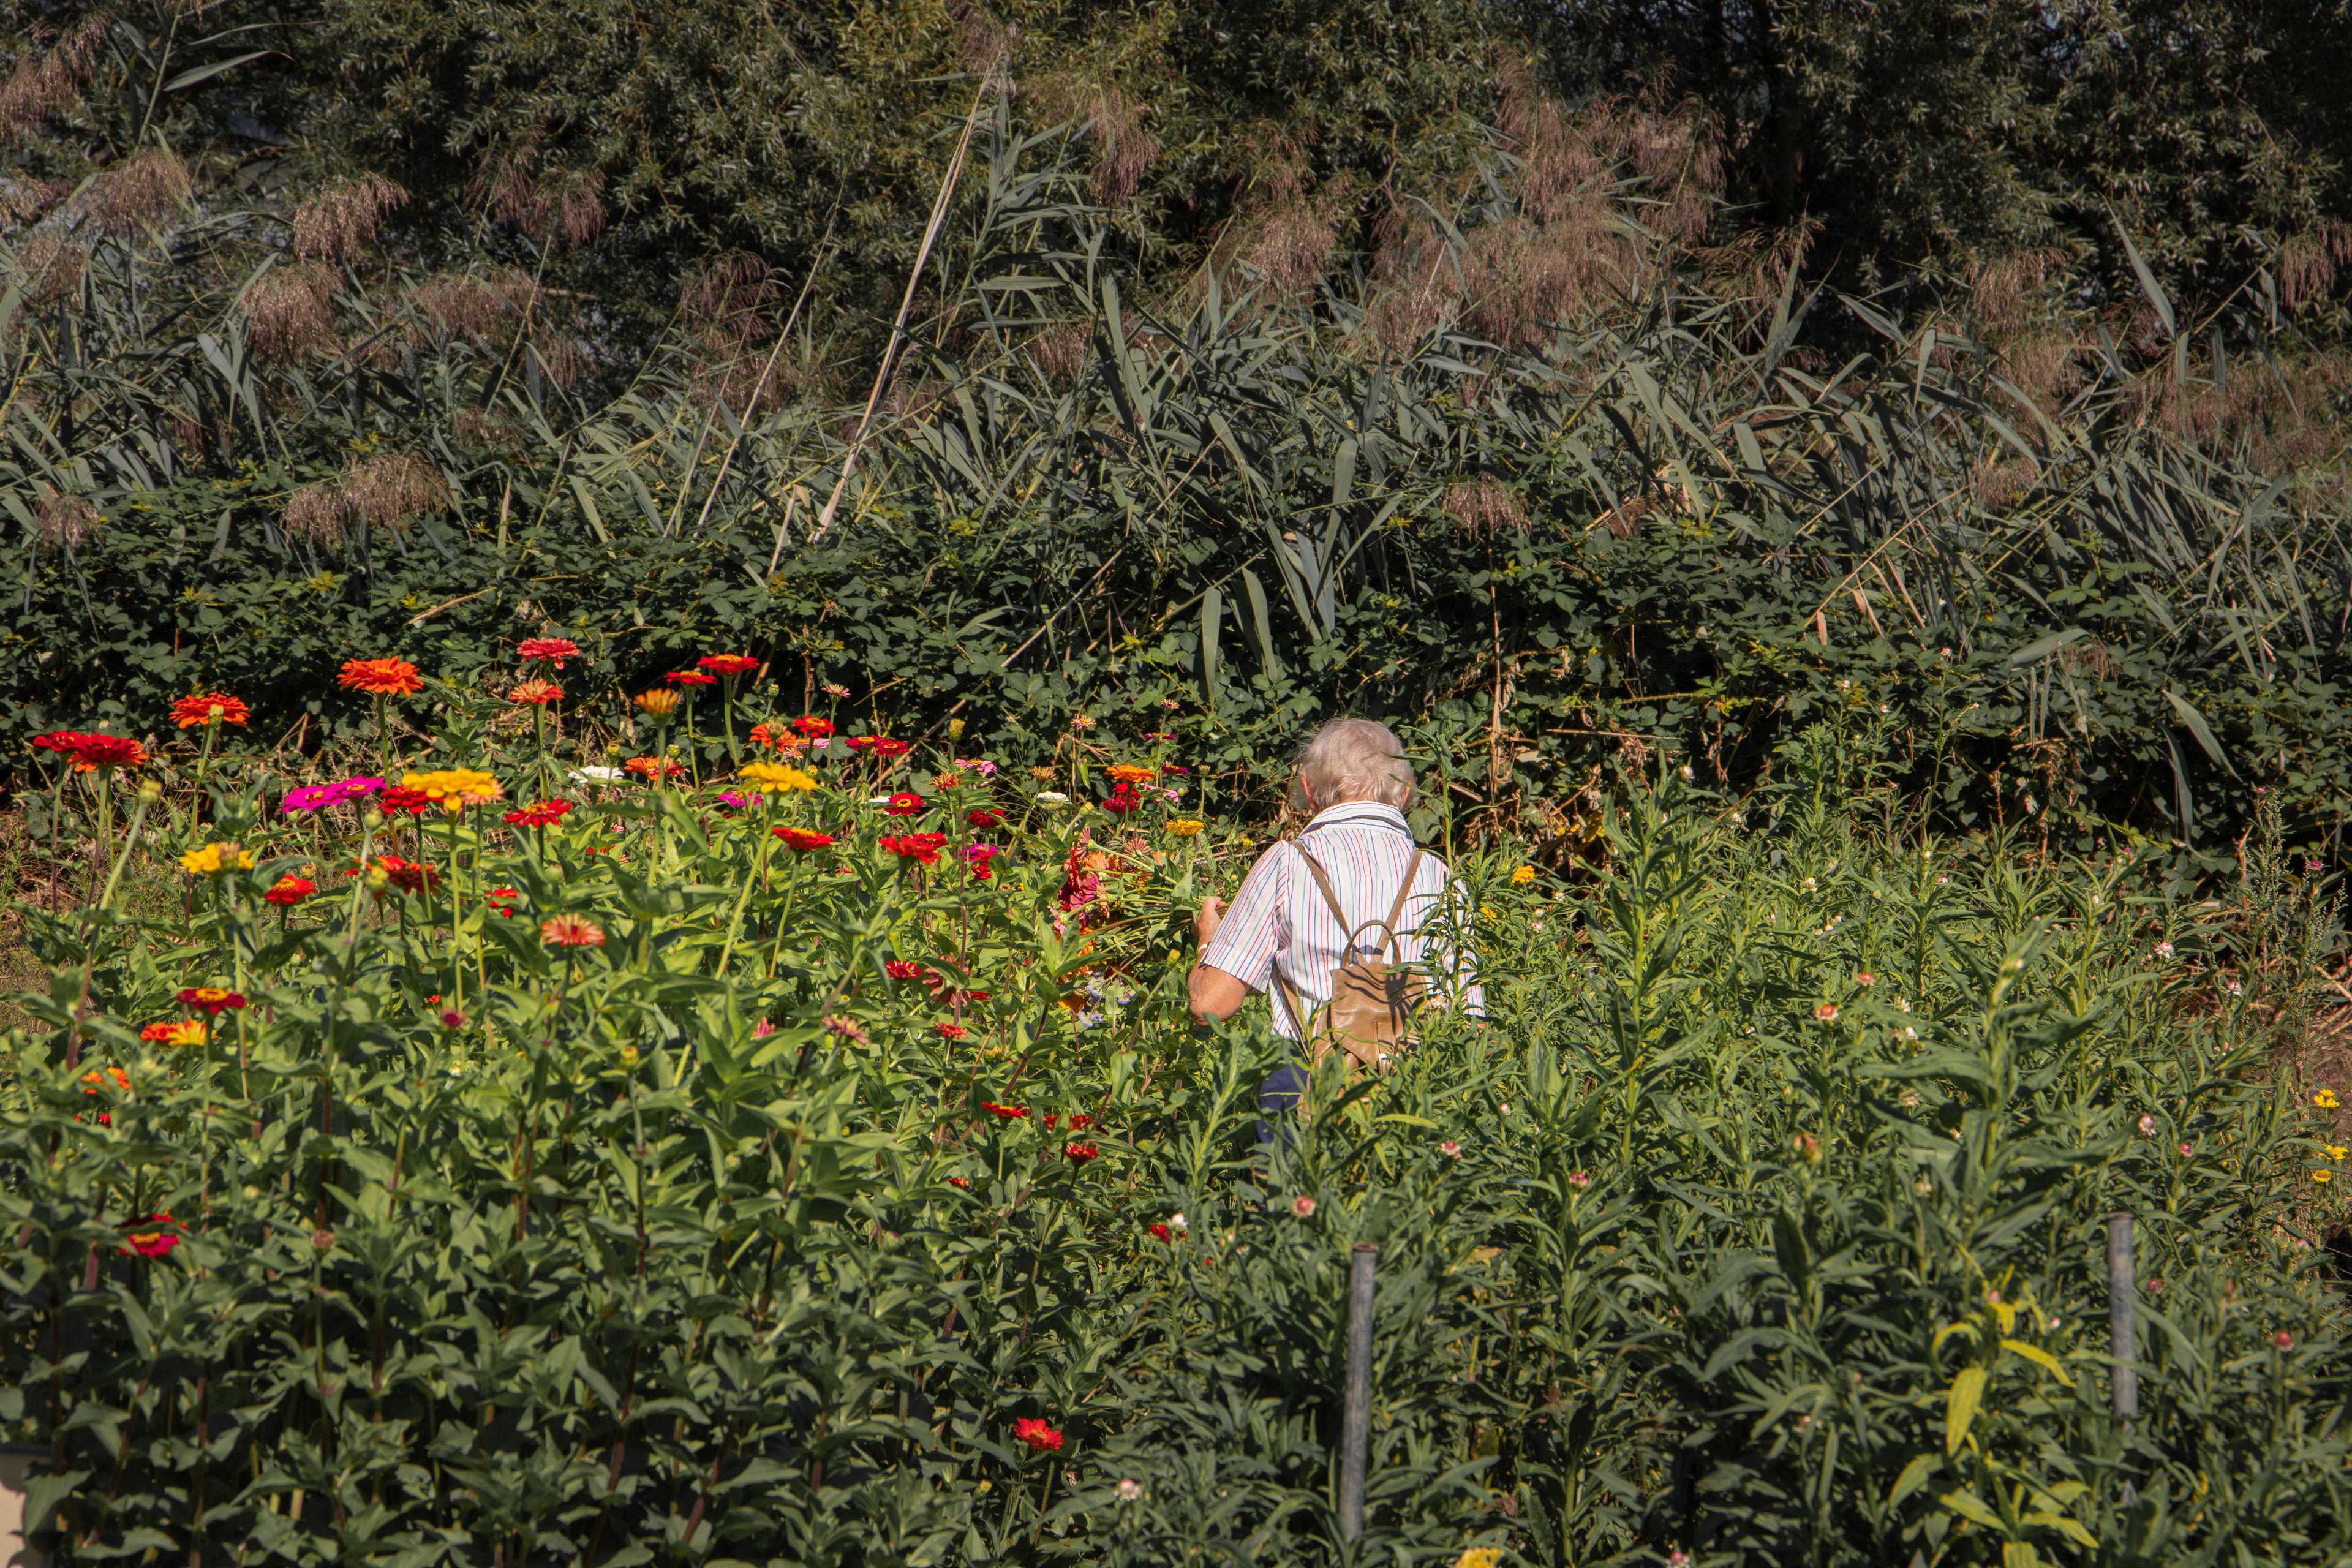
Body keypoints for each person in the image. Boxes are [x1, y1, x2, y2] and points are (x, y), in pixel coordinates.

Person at [1188, 717, 1480, 1131]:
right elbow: (1469, 1019)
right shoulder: (1442, 877)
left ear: (1308, 792)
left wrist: (1209, 940)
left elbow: (1210, 1008)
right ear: (1405, 792)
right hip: (1419, 1095)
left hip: (1306, 1084)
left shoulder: (1287, 863)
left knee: (1297, 1194)